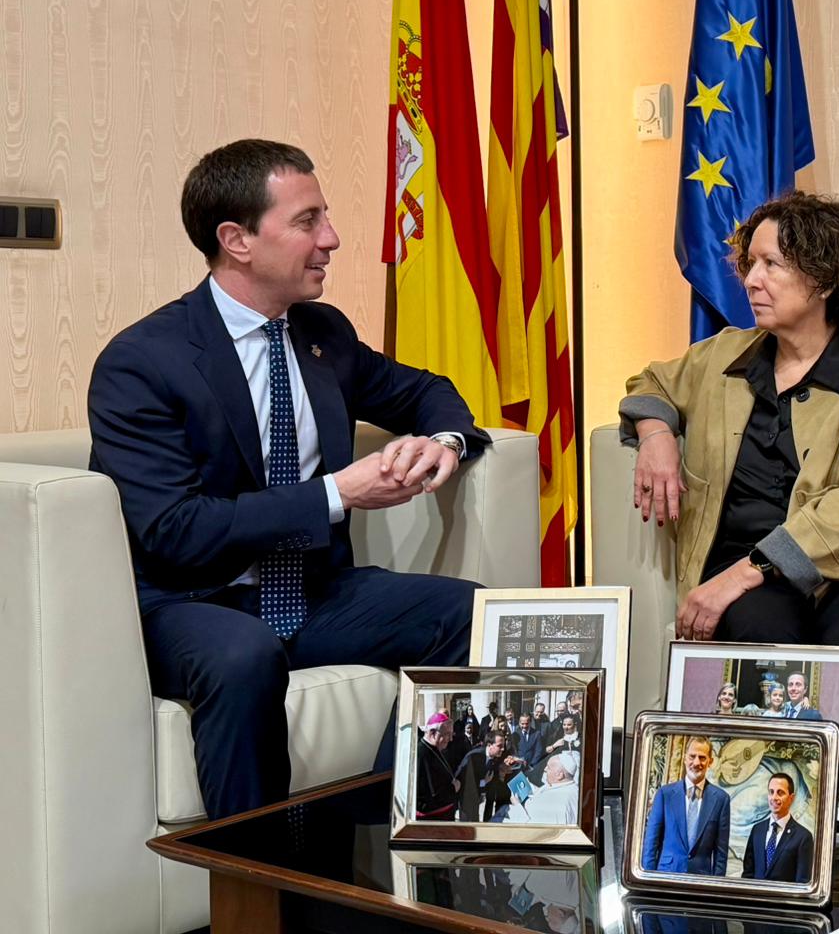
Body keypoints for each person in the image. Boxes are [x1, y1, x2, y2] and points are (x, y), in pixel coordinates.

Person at [86, 140, 489, 819]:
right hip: (191, 602)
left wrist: (443, 442)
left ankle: (378, 834)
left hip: (312, 591)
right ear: (237, 240)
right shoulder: (143, 362)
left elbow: (427, 392)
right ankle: (253, 872)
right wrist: (338, 494)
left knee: (477, 617)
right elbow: (174, 529)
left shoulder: (320, 334)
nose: (331, 238)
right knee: (243, 657)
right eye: (308, 221)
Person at [622, 192, 839, 738]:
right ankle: (749, 791)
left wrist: (740, 575)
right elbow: (651, 382)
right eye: (749, 264)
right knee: (761, 642)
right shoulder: (724, 356)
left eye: (771, 264)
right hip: (767, 583)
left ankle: (837, 796)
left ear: (823, 279)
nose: (751, 280)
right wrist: (656, 433)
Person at [641, 736, 732, 875]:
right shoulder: (665, 795)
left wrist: (716, 885)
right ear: (684, 758)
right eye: (692, 756)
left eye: (702, 758)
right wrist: (648, 880)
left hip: (701, 880)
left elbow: (721, 855)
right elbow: (651, 844)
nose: (696, 762)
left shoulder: (721, 799)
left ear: (710, 761)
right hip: (666, 877)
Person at [740, 772, 813, 882]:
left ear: (791, 798)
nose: (774, 797)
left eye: (780, 793)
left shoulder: (803, 837)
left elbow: (802, 883)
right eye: (771, 792)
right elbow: (747, 875)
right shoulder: (757, 830)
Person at [415, 713, 460, 820]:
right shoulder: (421, 754)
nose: (451, 739)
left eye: (451, 734)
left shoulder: (435, 749)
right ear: (433, 733)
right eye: (447, 734)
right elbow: (427, 798)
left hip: (444, 815)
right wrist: (453, 788)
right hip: (434, 820)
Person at [524, 752, 582, 825]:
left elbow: (531, 825)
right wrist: (537, 791)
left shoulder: (554, 804)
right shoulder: (574, 788)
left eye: (549, 767)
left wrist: (517, 806)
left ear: (559, 775)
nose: (545, 769)